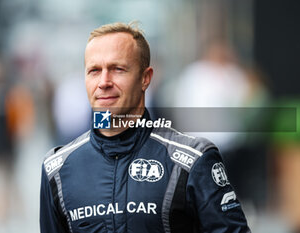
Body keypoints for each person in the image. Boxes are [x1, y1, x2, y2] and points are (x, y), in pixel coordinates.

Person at [40, 22, 251, 233]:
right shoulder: (57, 170)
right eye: (94, 70)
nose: (104, 81)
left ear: (145, 78)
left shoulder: (192, 162)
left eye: (118, 69)